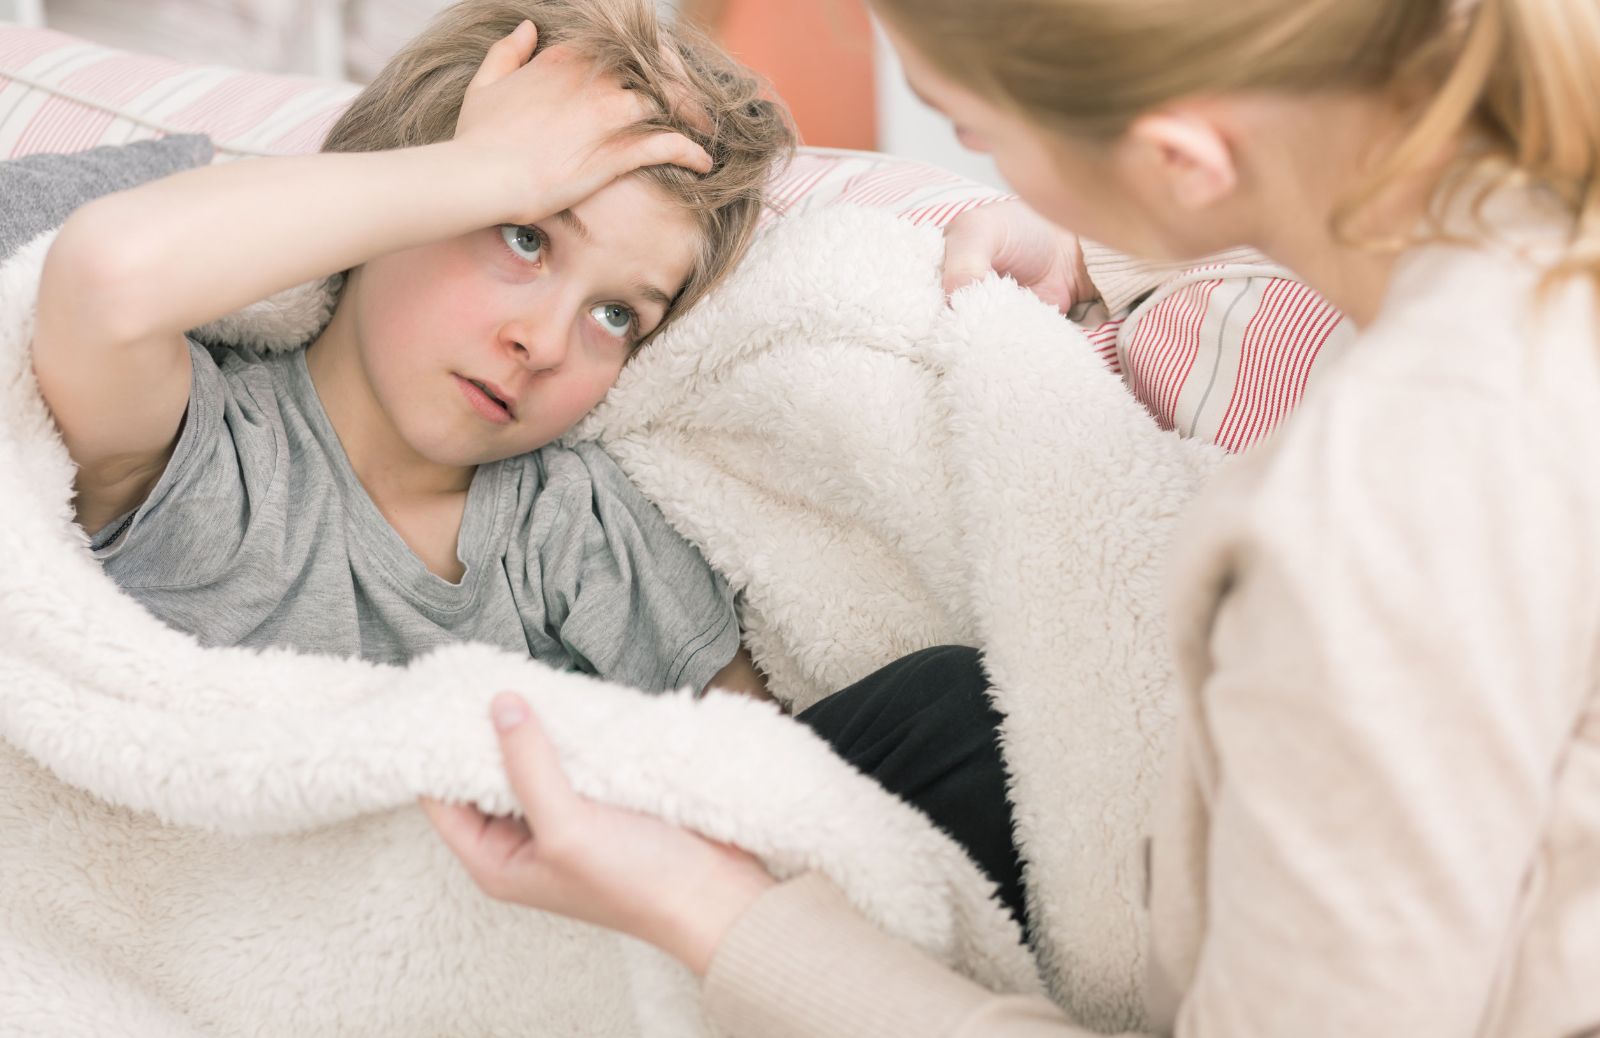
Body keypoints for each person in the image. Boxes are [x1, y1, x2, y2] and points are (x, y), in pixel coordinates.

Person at [425, 0, 1600, 1035]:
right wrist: (1111, 238)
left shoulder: (1382, 516)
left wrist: (715, 912)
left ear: (1181, 157)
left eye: (974, 132)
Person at [31, 0, 791, 697]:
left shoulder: (577, 526)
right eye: (524, 236)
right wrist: (494, 169)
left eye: (617, 314)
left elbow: (771, 781)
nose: (545, 343)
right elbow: (106, 276)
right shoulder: (211, 461)